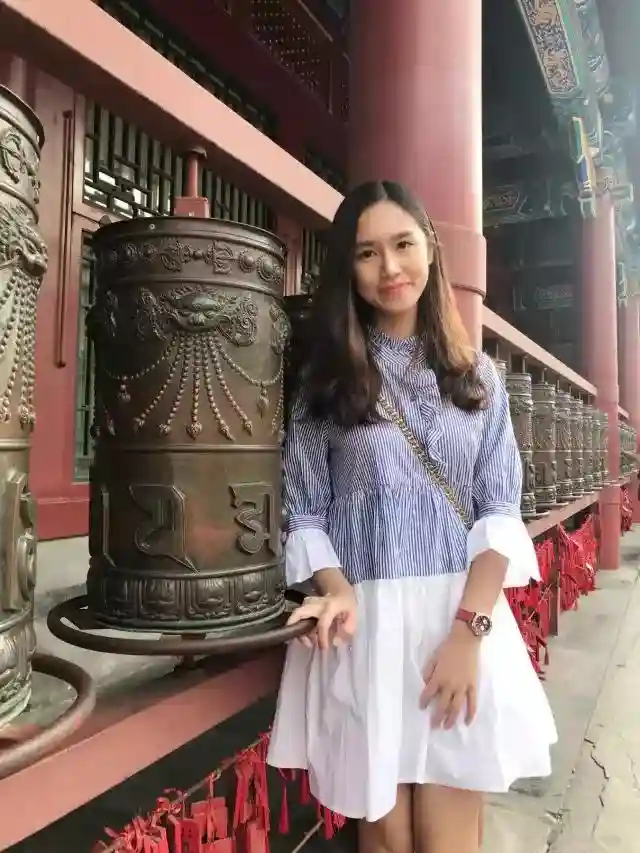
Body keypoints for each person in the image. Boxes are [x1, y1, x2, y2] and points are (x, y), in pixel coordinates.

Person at [267, 181, 557, 853]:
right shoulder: (326, 382)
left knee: (445, 838)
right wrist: (334, 586)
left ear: (430, 250)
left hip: (456, 620)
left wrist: (467, 635)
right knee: (388, 840)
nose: (390, 268)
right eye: (367, 253)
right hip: (364, 629)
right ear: (348, 268)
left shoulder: (476, 377)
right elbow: (304, 509)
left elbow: (498, 509)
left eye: (403, 245)